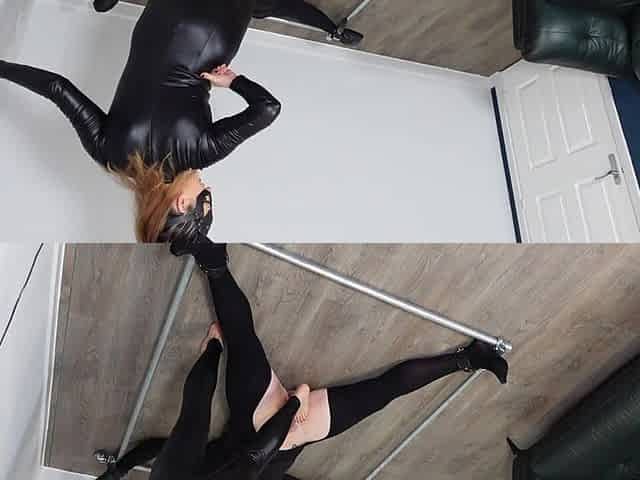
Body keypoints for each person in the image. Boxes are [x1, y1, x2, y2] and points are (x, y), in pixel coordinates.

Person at [95, 240, 509, 480]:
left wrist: (119, 469)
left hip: (268, 426)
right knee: (380, 393)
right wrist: (294, 403)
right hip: (285, 433)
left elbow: (191, 431)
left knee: (239, 337)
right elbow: (196, 430)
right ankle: (470, 359)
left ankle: (212, 257)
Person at [0, 0, 363, 243]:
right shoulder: (110, 154)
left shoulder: (202, 151)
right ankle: (334, 30)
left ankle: (334, 31)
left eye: (205, 199)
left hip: (216, 25)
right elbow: (57, 87)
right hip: (160, 17)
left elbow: (268, 108)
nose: (209, 189)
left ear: (179, 204)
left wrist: (233, 81)